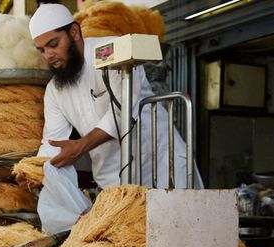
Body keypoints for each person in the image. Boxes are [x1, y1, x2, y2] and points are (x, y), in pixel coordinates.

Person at [29, 3, 201, 189]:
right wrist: (32, 171)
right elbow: (52, 143)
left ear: (74, 32)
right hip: (112, 179)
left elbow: (122, 112)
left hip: (160, 165)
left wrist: (82, 145)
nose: (48, 55)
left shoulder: (114, 52)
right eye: (42, 50)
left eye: (53, 44)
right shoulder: (55, 90)